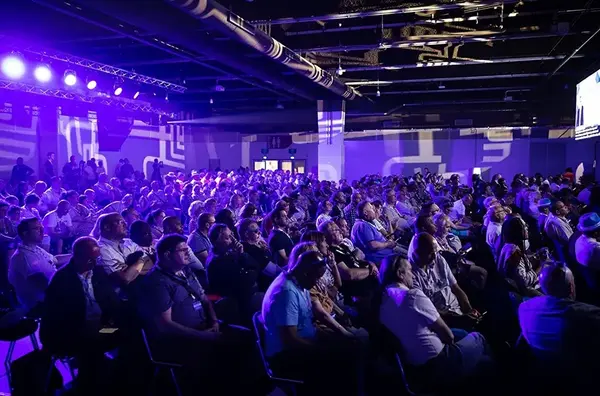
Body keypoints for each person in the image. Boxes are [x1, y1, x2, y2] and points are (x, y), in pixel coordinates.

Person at [378, 255, 493, 387]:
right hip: (438, 363)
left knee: (462, 334)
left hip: (413, 367)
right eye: (410, 270)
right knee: (479, 339)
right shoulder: (413, 296)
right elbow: (448, 337)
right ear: (400, 274)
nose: (413, 276)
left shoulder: (383, 298)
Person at [261, 248, 364, 395]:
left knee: (351, 344)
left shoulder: (299, 281)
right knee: (344, 358)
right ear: (305, 272)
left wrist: (338, 336)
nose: (318, 283)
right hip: (286, 356)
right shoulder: (286, 293)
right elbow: (290, 340)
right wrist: (323, 347)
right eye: (316, 278)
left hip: (304, 341)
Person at [40, 237, 124, 395]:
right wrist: (85, 327)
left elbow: (112, 303)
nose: (95, 262)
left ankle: (111, 378)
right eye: (91, 259)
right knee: (92, 346)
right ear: (77, 257)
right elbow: (57, 318)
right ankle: (93, 384)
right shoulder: (62, 280)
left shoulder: (97, 273)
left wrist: (111, 320)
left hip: (101, 328)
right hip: (71, 333)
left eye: (97, 258)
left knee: (123, 331)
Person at [518, 262, 600, 392]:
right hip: (582, 379)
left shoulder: (524, 309)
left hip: (546, 379)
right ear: (572, 287)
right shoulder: (586, 315)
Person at [408, 233, 480, 329]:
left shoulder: (438, 259)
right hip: (442, 321)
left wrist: (468, 310)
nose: (434, 257)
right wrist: (461, 318)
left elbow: (455, 287)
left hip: (457, 310)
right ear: (417, 253)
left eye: (435, 252)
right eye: (430, 253)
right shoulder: (410, 275)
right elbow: (429, 311)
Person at [8, 218, 57, 313]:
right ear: (25, 233)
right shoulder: (22, 256)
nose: (42, 231)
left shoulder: (35, 248)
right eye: (36, 228)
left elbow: (56, 259)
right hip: (38, 305)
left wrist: (77, 254)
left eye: (41, 227)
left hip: (49, 297)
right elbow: (42, 284)